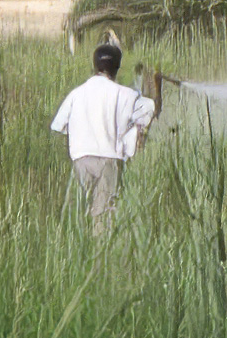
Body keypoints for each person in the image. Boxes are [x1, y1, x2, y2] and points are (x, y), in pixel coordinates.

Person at [51, 44, 155, 233]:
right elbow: (148, 108)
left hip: (81, 159)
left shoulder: (77, 93)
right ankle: (100, 256)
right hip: (109, 160)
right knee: (103, 217)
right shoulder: (127, 94)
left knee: (77, 213)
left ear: (95, 65)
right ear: (117, 67)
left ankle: (77, 253)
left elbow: (59, 125)